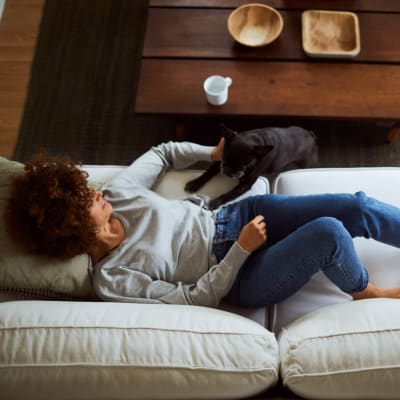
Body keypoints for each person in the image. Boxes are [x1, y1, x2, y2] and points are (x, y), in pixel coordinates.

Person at [5, 140, 400, 308]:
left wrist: (210, 152)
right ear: (71, 224)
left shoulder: (118, 192)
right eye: (82, 199)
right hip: (241, 276)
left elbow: (162, 153)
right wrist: (242, 249)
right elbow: (194, 298)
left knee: (357, 205)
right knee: (329, 232)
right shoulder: (113, 279)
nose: (93, 191)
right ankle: (365, 291)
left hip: (237, 217)